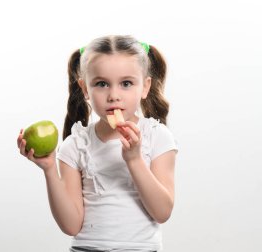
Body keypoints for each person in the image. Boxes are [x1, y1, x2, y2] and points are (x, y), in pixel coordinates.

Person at [17, 35, 178, 252]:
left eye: (126, 83)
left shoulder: (157, 137)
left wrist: (134, 160)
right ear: (85, 89)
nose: (113, 95)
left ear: (145, 87)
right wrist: (49, 169)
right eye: (101, 84)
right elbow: (71, 225)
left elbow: (162, 212)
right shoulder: (75, 145)